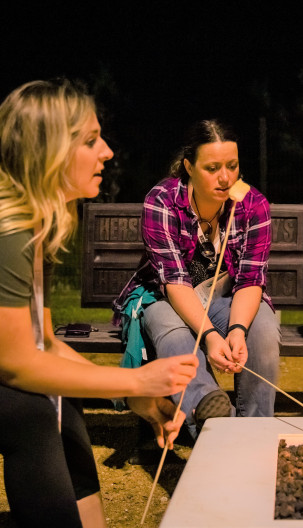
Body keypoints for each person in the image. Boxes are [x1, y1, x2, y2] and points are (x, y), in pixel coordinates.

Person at [0, 79, 198, 528]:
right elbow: (14, 364)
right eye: (91, 141)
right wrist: (140, 382)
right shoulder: (8, 234)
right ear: (48, 150)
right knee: (30, 407)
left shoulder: (36, 226)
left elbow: (45, 344)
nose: (107, 152)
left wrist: (130, 390)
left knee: (62, 403)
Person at [113, 119, 281, 440]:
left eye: (232, 166)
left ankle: (256, 431)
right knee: (171, 330)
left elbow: (250, 279)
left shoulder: (252, 205)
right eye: (212, 167)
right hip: (165, 298)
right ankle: (209, 411)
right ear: (189, 167)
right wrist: (209, 335)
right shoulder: (162, 202)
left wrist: (236, 330)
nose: (225, 177)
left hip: (223, 299)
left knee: (262, 327)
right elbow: (174, 281)